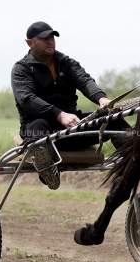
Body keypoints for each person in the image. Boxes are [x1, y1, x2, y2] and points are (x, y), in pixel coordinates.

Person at [11, 21, 130, 190]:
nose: (50, 41)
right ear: (29, 43)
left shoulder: (67, 63)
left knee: (111, 118)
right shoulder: (21, 69)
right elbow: (27, 99)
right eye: (44, 38)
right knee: (37, 125)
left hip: (72, 130)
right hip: (40, 133)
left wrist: (102, 99)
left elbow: (85, 82)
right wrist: (59, 114)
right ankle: (49, 170)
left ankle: (139, 156)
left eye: (52, 37)